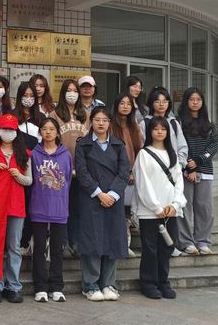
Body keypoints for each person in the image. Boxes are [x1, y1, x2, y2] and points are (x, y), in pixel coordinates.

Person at [75, 107, 129, 302]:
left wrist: (112, 194)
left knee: (111, 240)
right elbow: (82, 172)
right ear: (91, 121)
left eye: (105, 120)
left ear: (109, 123)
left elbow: (124, 172)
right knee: (93, 241)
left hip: (114, 199)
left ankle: (108, 284)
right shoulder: (83, 145)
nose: (101, 123)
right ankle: (90, 285)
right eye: (97, 119)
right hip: (92, 198)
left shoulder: (118, 145)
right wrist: (99, 194)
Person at [132, 116, 186, 300]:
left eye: (163, 129)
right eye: (156, 129)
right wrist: (156, 207)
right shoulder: (144, 154)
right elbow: (143, 184)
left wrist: (175, 204)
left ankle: (163, 282)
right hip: (150, 212)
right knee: (150, 248)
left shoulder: (172, 155)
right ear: (150, 132)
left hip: (171, 211)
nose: (160, 132)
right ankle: (148, 283)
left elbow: (178, 182)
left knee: (167, 248)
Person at [0, 114, 32, 304]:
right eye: (4, 129)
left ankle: (13, 286)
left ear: (16, 132)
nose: (8, 132)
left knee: (14, 247)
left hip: (16, 205)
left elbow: (29, 181)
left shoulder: (25, 154)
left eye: (11, 129)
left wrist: (17, 176)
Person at [139, 86, 188, 256]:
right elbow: (141, 147)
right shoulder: (144, 123)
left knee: (171, 217)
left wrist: (178, 165)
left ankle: (172, 246)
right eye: (157, 101)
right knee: (151, 246)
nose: (161, 104)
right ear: (151, 103)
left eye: (165, 101)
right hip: (151, 173)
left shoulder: (174, 123)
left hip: (171, 175)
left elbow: (182, 146)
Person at [29, 118, 72, 303]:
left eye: (52, 129)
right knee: (39, 249)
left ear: (57, 132)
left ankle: (56, 287)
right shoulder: (34, 154)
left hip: (59, 208)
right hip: (39, 206)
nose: (48, 132)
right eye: (44, 129)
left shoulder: (65, 155)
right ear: (40, 132)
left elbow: (67, 180)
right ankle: (40, 287)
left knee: (57, 250)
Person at [177, 87, 218, 255]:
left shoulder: (210, 125)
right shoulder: (179, 123)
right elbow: (180, 145)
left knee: (205, 208)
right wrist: (189, 167)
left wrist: (199, 162)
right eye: (191, 99)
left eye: (198, 99)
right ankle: (186, 242)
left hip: (205, 171)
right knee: (185, 207)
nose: (195, 102)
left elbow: (213, 146)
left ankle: (203, 241)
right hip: (185, 172)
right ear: (186, 101)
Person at [52, 79, 88, 258]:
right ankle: (63, 243)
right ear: (63, 93)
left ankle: (76, 242)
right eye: (69, 90)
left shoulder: (86, 114)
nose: (72, 94)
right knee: (62, 207)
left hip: (82, 169)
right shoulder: (54, 114)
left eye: (75, 90)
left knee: (78, 207)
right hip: (61, 169)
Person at [110, 92, 144, 257]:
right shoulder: (110, 126)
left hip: (133, 175)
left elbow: (141, 151)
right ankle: (121, 244)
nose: (125, 106)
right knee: (118, 212)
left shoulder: (135, 127)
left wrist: (134, 172)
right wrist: (124, 173)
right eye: (122, 103)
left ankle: (126, 244)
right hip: (115, 175)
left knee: (128, 212)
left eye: (128, 104)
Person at [12, 81, 44, 256]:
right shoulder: (12, 116)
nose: (28, 99)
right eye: (25, 95)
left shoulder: (40, 118)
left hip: (36, 167)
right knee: (17, 206)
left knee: (32, 205)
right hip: (16, 167)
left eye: (32, 96)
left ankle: (26, 241)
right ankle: (14, 243)